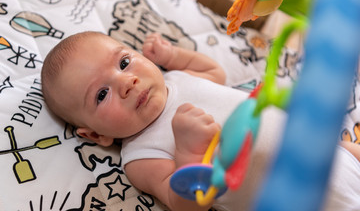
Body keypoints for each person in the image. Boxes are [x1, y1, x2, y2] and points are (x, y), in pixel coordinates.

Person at [41, 31, 360, 211]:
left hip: (334, 155)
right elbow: (182, 204)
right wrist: (189, 154)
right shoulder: (140, 155)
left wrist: (174, 57)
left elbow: (214, 74)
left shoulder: (177, 77)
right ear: (96, 135)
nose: (126, 82)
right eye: (101, 95)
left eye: (124, 62)